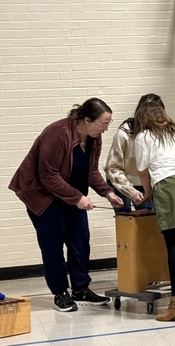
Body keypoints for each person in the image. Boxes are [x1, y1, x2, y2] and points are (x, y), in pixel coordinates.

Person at [8, 98, 122, 312]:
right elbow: (48, 175)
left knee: (80, 241)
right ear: (87, 119)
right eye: (103, 123)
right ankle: (60, 293)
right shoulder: (57, 134)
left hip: (71, 196)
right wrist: (77, 198)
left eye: (109, 123)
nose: (106, 129)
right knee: (53, 245)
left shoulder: (93, 138)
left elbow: (92, 171)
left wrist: (107, 192)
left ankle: (81, 289)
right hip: (43, 197)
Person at [131, 101, 175, 321]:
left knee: (174, 244)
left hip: (169, 185)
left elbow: (142, 171)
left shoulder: (143, 136)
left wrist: (148, 192)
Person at [105, 94, 162, 213]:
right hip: (121, 180)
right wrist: (132, 192)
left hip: (145, 183)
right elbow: (113, 168)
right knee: (126, 220)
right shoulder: (123, 134)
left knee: (148, 219)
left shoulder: (160, 133)